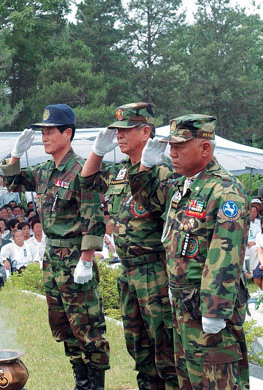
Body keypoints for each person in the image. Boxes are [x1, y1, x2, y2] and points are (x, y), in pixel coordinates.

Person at [128, 114, 250, 389]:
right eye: (171, 147)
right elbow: (145, 198)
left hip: (206, 309)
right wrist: (145, 165)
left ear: (205, 148)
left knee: (216, 381)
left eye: (180, 147)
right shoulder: (184, 187)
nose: (172, 154)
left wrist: (215, 310)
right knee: (188, 381)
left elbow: (225, 256)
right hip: (183, 307)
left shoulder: (224, 191)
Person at [0, 104, 109, 389]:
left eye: (50, 131)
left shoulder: (81, 169)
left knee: (87, 325)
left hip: (74, 256)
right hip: (52, 257)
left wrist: (86, 259)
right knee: (63, 324)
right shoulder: (46, 170)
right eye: (43, 132)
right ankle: (81, 380)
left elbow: (92, 216)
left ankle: (96, 384)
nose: (44, 137)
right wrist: (15, 154)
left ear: (68, 133)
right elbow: (13, 183)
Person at [80, 102, 178, 389]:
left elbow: (173, 225)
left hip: (155, 273)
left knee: (166, 351)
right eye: (116, 131)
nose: (119, 136)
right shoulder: (121, 172)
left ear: (146, 131)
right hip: (129, 273)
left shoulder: (162, 171)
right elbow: (86, 183)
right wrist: (97, 152)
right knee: (139, 349)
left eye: (126, 130)